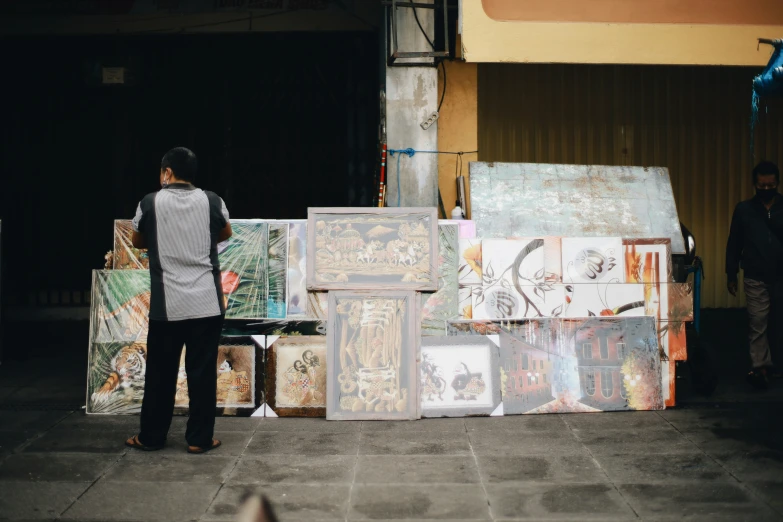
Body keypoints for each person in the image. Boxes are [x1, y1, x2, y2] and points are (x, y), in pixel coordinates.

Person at [125, 147, 232, 453]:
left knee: (160, 374)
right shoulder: (212, 200)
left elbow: (137, 240)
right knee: (202, 373)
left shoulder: (150, 202)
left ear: (167, 173)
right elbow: (225, 233)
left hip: (166, 307)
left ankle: (151, 437)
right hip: (207, 304)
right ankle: (199, 439)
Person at [726, 161, 783, 390]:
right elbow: (734, 243)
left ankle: (774, 365)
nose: (766, 188)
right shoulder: (744, 210)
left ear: (777, 183)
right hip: (755, 275)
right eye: (762, 184)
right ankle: (760, 366)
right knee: (758, 320)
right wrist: (731, 274)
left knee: (778, 321)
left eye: (770, 184)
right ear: (754, 184)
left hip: (781, 273)